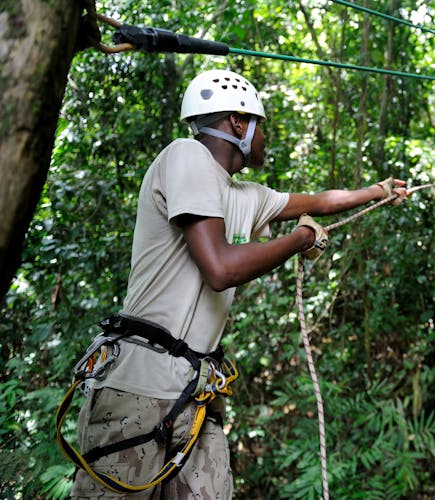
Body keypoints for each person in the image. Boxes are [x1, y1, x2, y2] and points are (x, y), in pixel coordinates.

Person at [67, 69, 407, 498]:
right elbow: (220, 267)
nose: (265, 136)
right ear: (238, 123)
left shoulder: (248, 196)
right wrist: (301, 239)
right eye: (260, 123)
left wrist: (377, 190)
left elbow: (320, 201)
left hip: (193, 394)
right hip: (137, 389)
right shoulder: (185, 157)